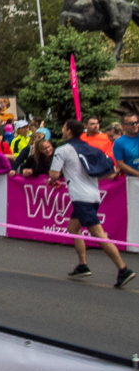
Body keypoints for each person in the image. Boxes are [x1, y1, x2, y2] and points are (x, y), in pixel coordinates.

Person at [49, 119, 134, 288]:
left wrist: (59, 177)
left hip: (81, 198)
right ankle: (82, 265)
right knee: (73, 228)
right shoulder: (89, 148)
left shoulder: (63, 150)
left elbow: (53, 174)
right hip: (94, 195)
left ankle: (123, 269)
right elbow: (105, 172)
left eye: (64, 127)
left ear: (69, 131)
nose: (63, 129)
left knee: (99, 235)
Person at [113, 112, 139, 176]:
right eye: (131, 123)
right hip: (133, 179)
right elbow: (120, 163)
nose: (135, 125)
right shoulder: (119, 142)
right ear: (123, 126)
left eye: (136, 122)